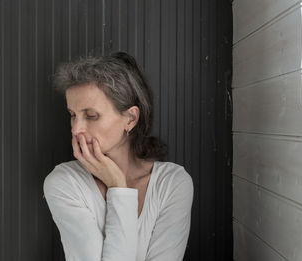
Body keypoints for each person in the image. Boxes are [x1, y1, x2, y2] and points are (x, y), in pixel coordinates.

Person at [43, 52, 194, 261]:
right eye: (73, 115)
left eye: (91, 115)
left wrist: (118, 187)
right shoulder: (64, 183)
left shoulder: (172, 183)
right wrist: (118, 186)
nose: (76, 129)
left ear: (130, 118)